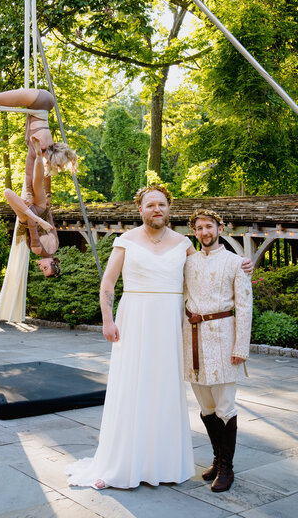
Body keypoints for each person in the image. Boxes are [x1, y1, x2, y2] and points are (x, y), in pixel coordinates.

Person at [67, 184, 196, 489]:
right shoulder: (126, 240)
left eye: (162, 204)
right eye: (150, 205)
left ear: (169, 208)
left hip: (169, 322)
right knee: (132, 386)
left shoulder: (183, 243)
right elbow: (109, 283)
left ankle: (163, 463)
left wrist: (238, 264)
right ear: (141, 209)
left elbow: (206, 271)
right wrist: (107, 320)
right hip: (134, 319)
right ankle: (121, 463)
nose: (157, 209)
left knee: (164, 387)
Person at [0, 88, 77, 277]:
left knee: (37, 179)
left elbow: (39, 184)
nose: (41, 268)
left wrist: (43, 199)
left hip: (44, 103)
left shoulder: (55, 246)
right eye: (45, 268)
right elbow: (34, 223)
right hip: (38, 103)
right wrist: (35, 213)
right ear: (51, 264)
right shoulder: (39, 249)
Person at [183, 209, 253, 492]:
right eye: (198, 228)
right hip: (194, 340)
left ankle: (227, 468)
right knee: (206, 407)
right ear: (194, 232)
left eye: (209, 226)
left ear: (220, 228)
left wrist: (241, 347)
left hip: (225, 340)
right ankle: (216, 459)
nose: (204, 232)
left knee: (225, 407)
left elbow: (245, 307)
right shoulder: (187, 264)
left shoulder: (236, 263)